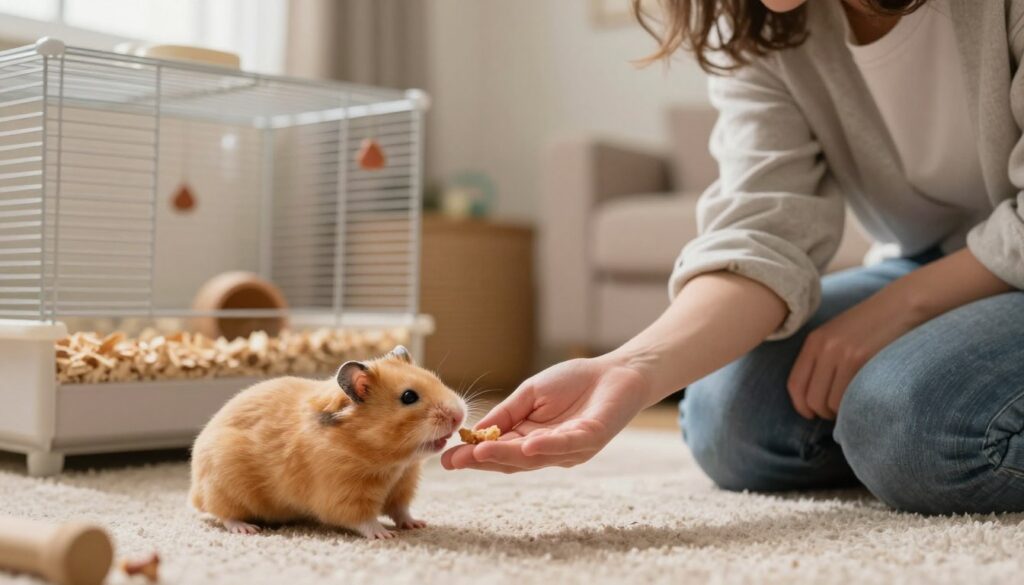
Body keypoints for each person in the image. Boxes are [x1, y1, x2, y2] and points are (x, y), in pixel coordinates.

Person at [442, 0, 1024, 515]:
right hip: (931, 259)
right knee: (729, 420)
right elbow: (762, 233)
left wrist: (903, 306)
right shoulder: (758, 20)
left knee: (910, 427)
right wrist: (630, 367)